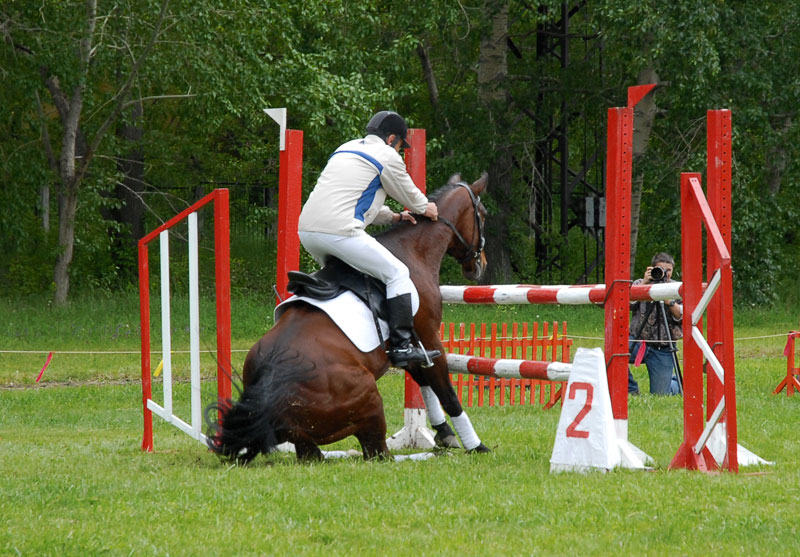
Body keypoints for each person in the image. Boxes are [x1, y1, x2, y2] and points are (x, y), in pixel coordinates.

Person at [297, 110, 440, 367]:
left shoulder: (346, 148)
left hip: (308, 233)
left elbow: (360, 203)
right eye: (399, 146)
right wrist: (428, 207)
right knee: (397, 273)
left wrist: (394, 218)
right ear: (392, 139)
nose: (399, 151)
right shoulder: (387, 156)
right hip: (340, 233)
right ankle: (402, 347)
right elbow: (414, 199)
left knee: (347, 278)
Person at [627, 252, 683, 396]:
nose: (664, 274)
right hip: (639, 342)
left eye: (668, 270)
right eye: (660, 269)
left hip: (663, 348)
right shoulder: (640, 284)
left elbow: (683, 315)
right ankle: (631, 389)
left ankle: (678, 383)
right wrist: (644, 284)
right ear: (652, 269)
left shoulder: (678, 288)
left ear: (672, 270)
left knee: (660, 394)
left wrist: (668, 300)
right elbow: (627, 303)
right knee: (614, 352)